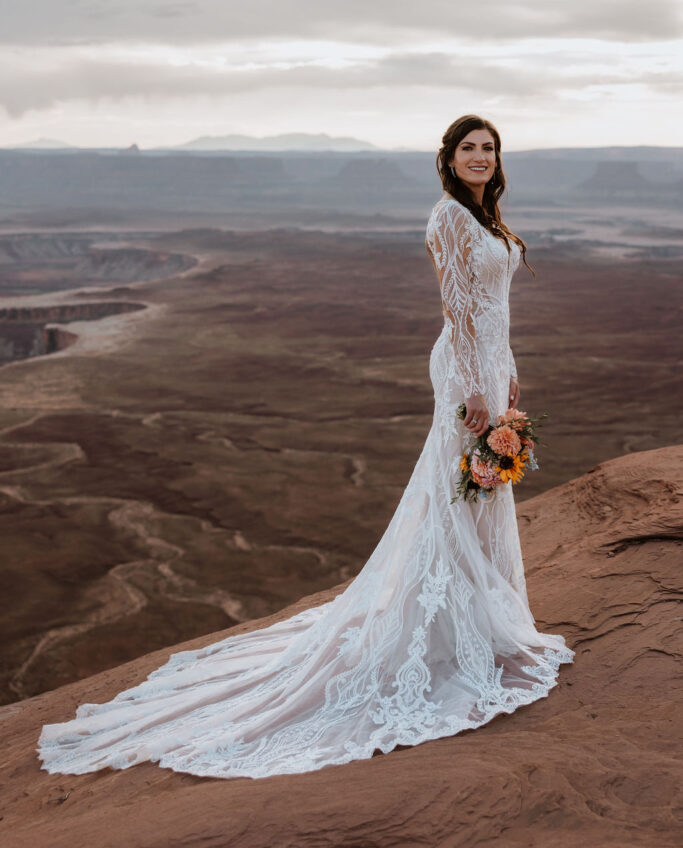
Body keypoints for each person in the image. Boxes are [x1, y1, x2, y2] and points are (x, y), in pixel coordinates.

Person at [37, 114, 574, 780]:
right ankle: (443, 633)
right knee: (457, 487)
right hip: (465, 374)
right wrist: (471, 390)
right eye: (468, 148)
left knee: (482, 491)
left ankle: (484, 624)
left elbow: (495, 309)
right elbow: (456, 309)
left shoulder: (487, 219)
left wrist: (508, 369)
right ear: (448, 157)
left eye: (488, 149)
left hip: (492, 366)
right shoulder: (448, 220)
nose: (480, 157)